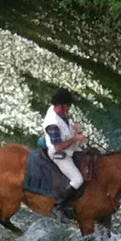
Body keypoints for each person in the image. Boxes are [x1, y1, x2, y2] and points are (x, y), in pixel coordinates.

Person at [42, 87, 89, 218]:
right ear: (62, 105)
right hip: (60, 154)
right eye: (68, 105)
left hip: (70, 146)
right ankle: (59, 205)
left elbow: (65, 124)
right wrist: (76, 138)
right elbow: (58, 147)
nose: (69, 108)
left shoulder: (58, 110)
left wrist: (74, 127)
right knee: (77, 179)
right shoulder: (53, 124)